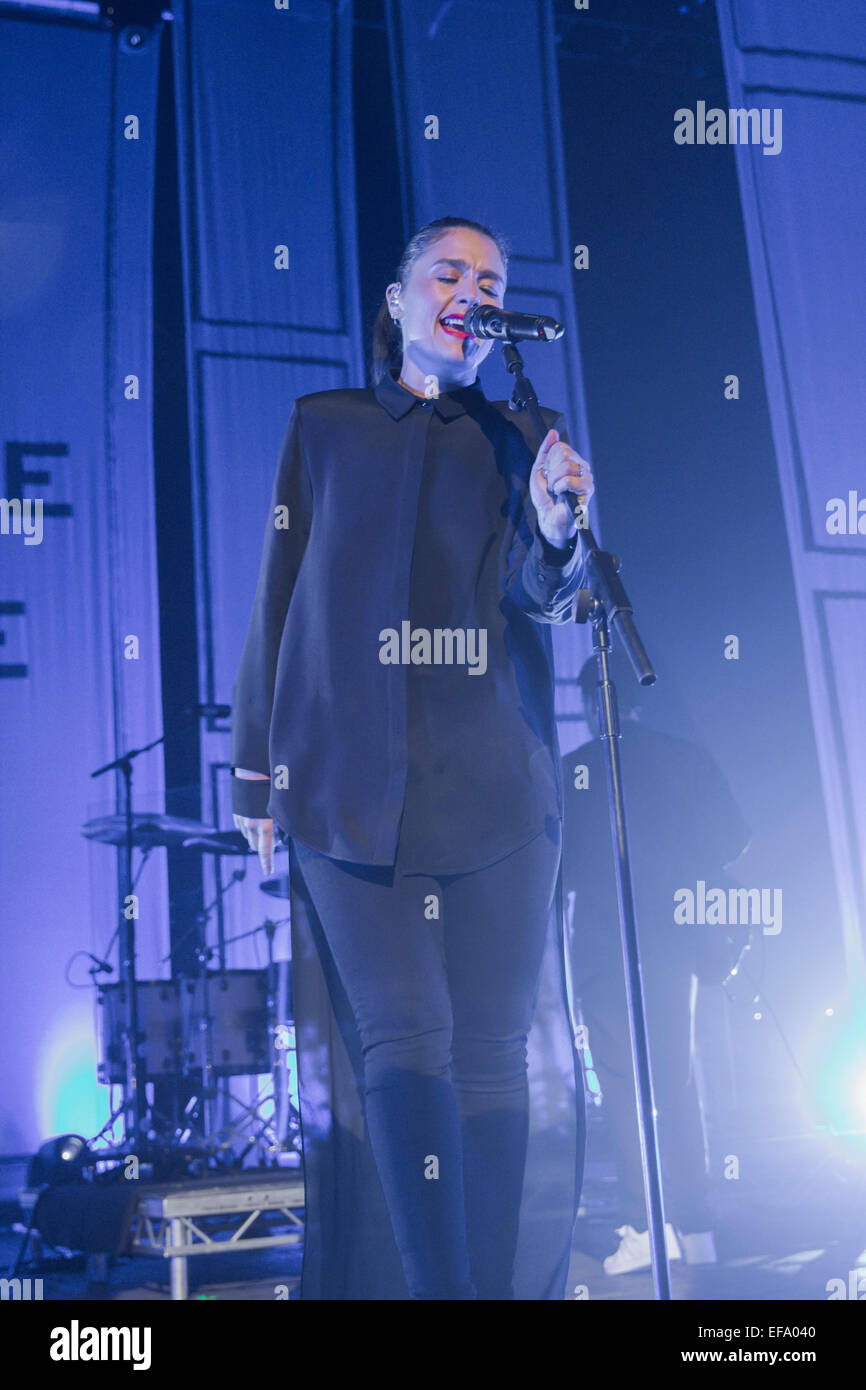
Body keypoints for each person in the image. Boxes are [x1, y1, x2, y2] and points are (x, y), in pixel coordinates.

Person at [230, 216, 595, 1300]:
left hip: (491, 789)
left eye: (489, 279)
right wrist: (255, 769)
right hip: (344, 791)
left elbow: (546, 597)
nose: (470, 289)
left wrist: (557, 527)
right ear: (397, 302)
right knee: (402, 1044)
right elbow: (276, 597)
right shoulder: (326, 425)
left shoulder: (524, 434)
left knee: (490, 1055)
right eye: (448, 271)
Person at [562, 653, 751, 1275]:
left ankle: (648, 1228)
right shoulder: (681, 757)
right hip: (677, 939)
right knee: (677, 1086)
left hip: (608, 946)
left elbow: (552, 870)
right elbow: (732, 838)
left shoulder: (577, 772)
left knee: (625, 1094)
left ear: (590, 700)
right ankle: (698, 1232)